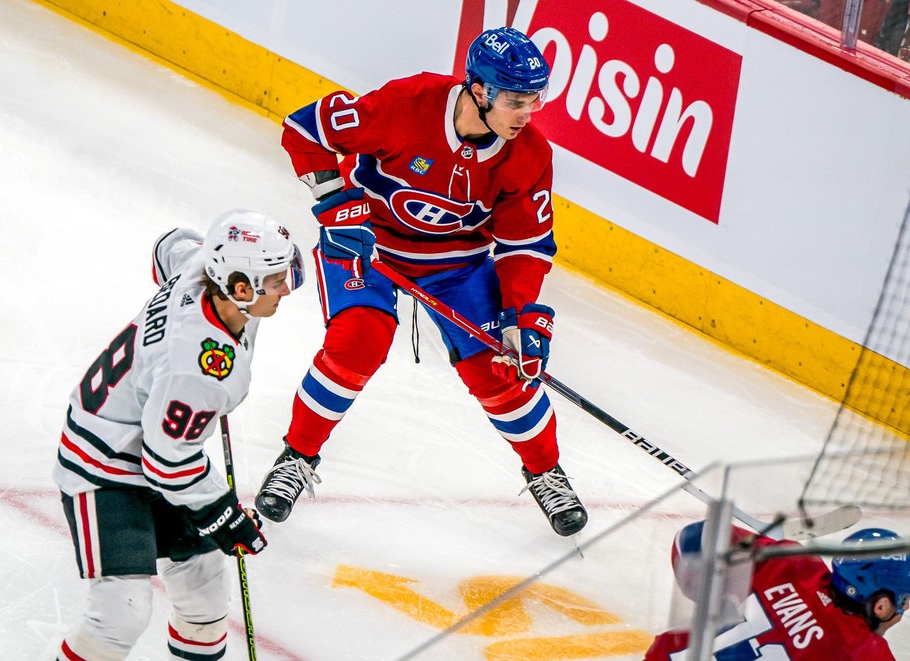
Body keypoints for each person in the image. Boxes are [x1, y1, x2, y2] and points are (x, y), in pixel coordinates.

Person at [252, 26, 588, 537]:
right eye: (516, 100)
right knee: (357, 343)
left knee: (502, 372)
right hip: (369, 243)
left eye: (535, 99)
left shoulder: (530, 155)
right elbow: (304, 130)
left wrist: (521, 317)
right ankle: (297, 458)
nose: (527, 113)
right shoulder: (408, 103)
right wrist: (338, 205)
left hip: (458, 263)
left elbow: (526, 246)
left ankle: (546, 472)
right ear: (480, 91)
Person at [53, 210, 304, 660]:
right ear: (241, 288)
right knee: (119, 616)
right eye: (277, 279)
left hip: (158, 442)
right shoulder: (201, 369)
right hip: (105, 465)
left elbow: (170, 243)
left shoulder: (201, 268)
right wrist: (225, 515)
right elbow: (169, 464)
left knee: (205, 601)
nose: (287, 288)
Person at [644, 521, 910, 660]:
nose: (905, 608)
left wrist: (724, 604)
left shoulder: (795, 563)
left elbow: (692, 539)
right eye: (904, 600)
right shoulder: (867, 654)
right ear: (881, 605)